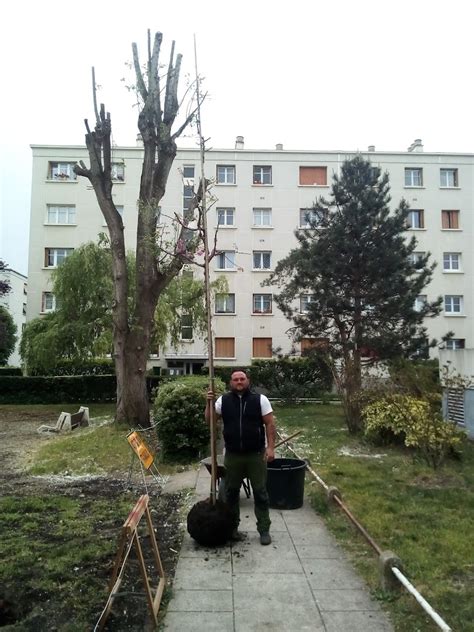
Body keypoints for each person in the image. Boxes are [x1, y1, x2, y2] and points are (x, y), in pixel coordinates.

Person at [205, 369, 276, 545]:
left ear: (247, 381)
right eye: (235, 379)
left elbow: (269, 423)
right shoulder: (223, 401)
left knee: (260, 493)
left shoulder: (260, 400)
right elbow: (210, 421)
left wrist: (271, 448)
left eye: (242, 379)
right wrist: (208, 403)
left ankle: (264, 529)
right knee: (231, 494)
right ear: (231, 382)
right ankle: (233, 528)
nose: (239, 382)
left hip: (256, 455)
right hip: (233, 455)